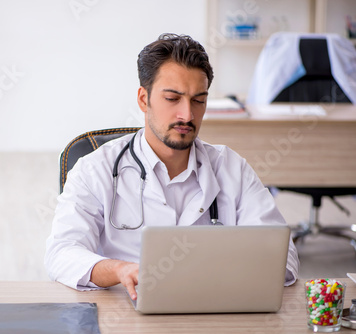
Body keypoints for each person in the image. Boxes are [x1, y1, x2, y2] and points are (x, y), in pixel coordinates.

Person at [45, 33, 299, 300]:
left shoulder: (231, 168)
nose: (187, 115)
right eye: (172, 98)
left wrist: (218, 272)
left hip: (214, 310)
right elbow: (61, 253)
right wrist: (120, 270)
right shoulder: (94, 169)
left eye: (198, 100)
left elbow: (284, 258)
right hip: (123, 312)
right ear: (144, 99)